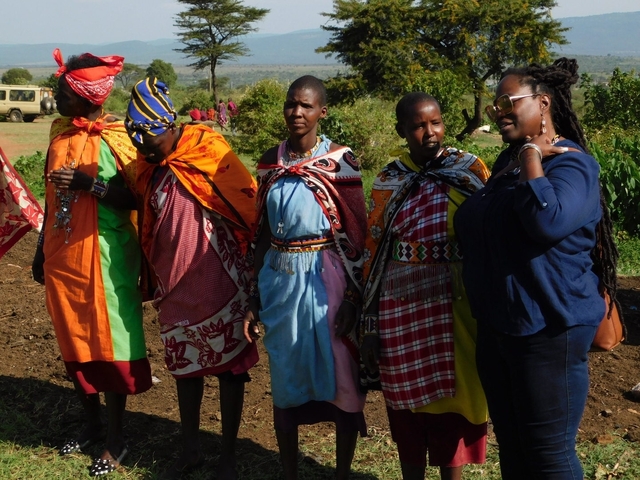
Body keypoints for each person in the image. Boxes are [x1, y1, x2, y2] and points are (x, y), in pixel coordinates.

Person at [453, 58, 619, 480]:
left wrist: (531, 155)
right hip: (500, 327)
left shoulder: (571, 164)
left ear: (543, 103)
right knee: (513, 448)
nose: (499, 112)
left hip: (549, 329)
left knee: (548, 455)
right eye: (495, 106)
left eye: (508, 102)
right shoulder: (508, 167)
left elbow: (547, 220)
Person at [125, 77, 258, 480]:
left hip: (219, 276)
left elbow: (246, 200)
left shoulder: (207, 148)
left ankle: (229, 455)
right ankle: (191, 448)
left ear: (168, 126)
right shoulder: (148, 165)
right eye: (138, 144)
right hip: (174, 282)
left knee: (230, 371)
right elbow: (134, 203)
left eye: (149, 141)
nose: (143, 150)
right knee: (185, 369)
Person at [31, 48, 152, 476]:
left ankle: (117, 437)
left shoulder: (119, 140)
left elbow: (135, 200)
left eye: (63, 91)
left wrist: (90, 185)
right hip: (64, 257)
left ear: (86, 97)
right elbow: (50, 200)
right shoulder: (59, 134)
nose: (56, 97)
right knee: (74, 339)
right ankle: (92, 426)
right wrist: (41, 246)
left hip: (108, 257)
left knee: (109, 341)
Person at [243, 75, 368, 480]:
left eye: (306, 106)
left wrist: (352, 297)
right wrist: (254, 295)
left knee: (342, 374)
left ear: (322, 112)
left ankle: (342, 472)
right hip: (279, 278)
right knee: (285, 373)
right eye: (291, 104)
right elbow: (261, 233)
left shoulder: (341, 161)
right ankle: (289, 472)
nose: (296, 112)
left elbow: (357, 234)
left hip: (329, 276)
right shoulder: (269, 161)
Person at [360, 93, 489, 480]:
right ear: (401, 130)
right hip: (401, 307)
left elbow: (490, 235)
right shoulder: (389, 179)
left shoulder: (470, 171)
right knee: (407, 408)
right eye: (418, 125)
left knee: (456, 403)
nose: (429, 132)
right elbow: (375, 249)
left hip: (458, 307)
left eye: (435, 122)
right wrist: (369, 321)